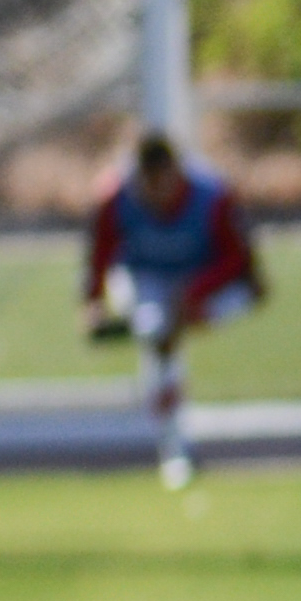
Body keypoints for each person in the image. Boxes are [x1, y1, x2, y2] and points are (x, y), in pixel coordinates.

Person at [86, 128, 267, 492]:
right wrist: (91, 302)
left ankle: (160, 351)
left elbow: (240, 261)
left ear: (177, 174)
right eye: (149, 185)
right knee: (160, 331)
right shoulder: (117, 196)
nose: (157, 194)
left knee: (175, 326)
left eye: (163, 183)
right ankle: (174, 444)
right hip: (147, 279)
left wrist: (195, 294)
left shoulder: (212, 195)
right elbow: (102, 251)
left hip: (202, 280)